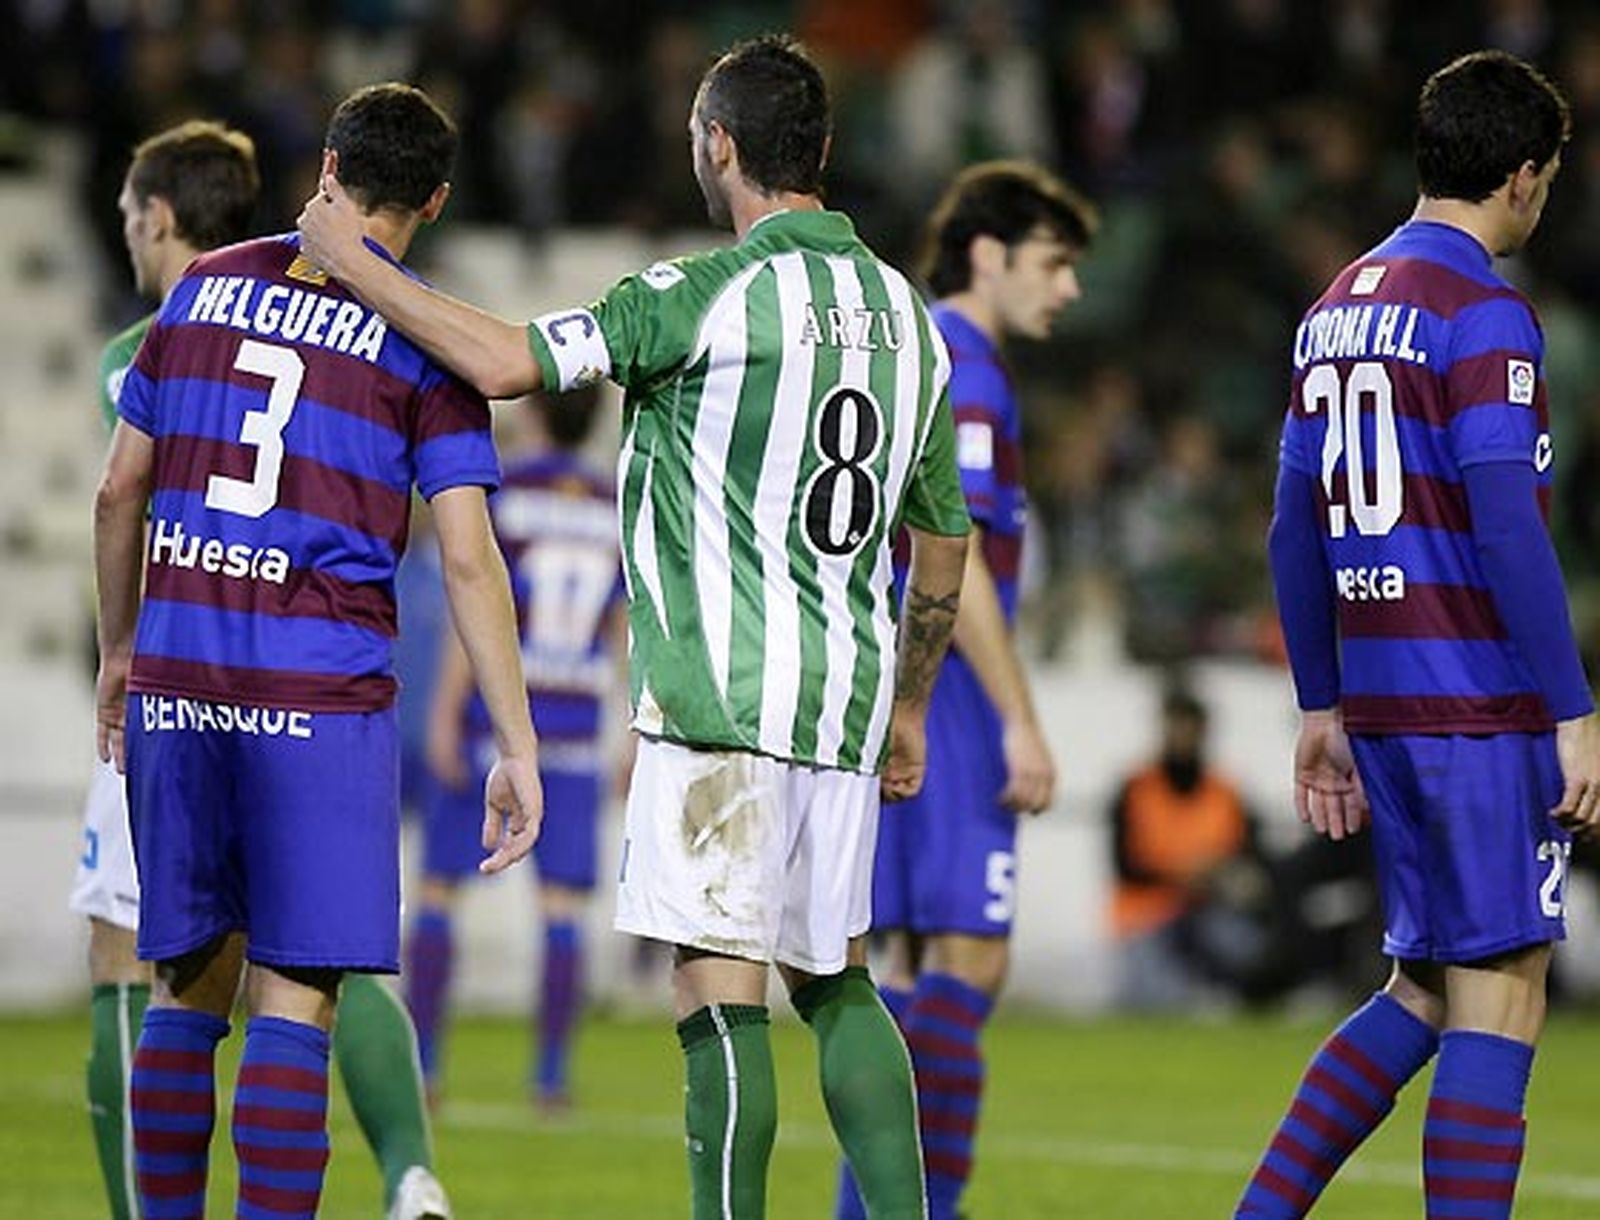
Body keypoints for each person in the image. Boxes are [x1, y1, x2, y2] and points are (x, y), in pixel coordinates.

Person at [299, 34, 971, 1220]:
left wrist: (353, 260)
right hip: (847, 703)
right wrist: (909, 703)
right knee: (838, 980)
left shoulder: (697, 296)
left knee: (718, 995)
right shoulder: (909, 320)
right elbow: (945, 536)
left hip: (719, 700)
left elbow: (506, 361)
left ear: (718, 146)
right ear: (818, 151)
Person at [93, 87, 542, 1220]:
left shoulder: (198, 287)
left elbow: (117, 491)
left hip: (180, 681)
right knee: (294, 1002)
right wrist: (516, 739)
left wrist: (118, 654)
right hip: (320, 700)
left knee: (182, 988)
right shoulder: (426, 342)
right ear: (436, 200)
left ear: (330, 163)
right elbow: (470, 561)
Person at [1239, 50, 1600, 1218]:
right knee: (1501, 984)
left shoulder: (1335, 305)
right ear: (1521, 176)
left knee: (1422, 986)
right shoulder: (1483, 312)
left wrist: (1319, 704)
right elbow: (1506, 525)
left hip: (1384, 703)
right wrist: (1573, 706)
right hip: (1476, 704)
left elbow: (1293, 526)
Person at [833, 159, 1090, 1220]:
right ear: (987, 254)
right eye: (1053, 263)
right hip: (944, 694)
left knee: (897, 965)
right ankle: (926, 1207)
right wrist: (1019, 718)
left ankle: (878, 1208)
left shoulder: (906, 349)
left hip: (878, 679)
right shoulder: (969, 372)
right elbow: (958, 551)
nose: (1066, 289)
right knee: (970, 957)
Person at [407, 386, 626, 1113]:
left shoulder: (502, 493)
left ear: (533, 414)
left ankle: (427, 1065)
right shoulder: (611, 506)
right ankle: (551, 1077)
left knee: (440, 887)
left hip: (495, 724)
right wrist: (625, 728)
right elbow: (621, 631)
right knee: (562, 908)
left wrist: (442, 713)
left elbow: (480, 608)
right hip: (574, 728)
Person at [1107, 683, 1256, 1011]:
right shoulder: (1135, 789)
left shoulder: (1226, 792)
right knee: (1156, 998)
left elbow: (1251, 862)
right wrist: (1188, 875)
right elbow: (1125, 868)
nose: (1183, 736)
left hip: (1211, 911)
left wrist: (1222, 878)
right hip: (1147, 916)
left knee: (1246, 951)